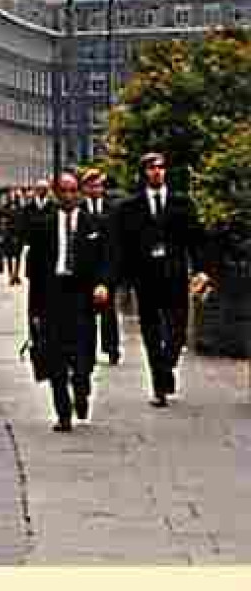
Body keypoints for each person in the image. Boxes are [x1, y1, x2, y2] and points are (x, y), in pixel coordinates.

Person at [111, 152, 212, 407]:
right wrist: (121, 279)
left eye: (161, 168)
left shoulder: (182, 203)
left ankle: (167, 365)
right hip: (145, 278)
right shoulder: (129, 207)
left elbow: (195, 239)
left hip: (175, 275)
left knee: (177, 328)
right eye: (152, 168)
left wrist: (201, 269)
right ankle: (159, 384)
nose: (157, 172)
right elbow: (121, 246)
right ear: (144, 173)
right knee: (151, 331)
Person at [21, 171, 99, 431]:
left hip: (81, 296)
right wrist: (33, 311)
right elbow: (34, 270)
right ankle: (63, 413)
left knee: (82, 356)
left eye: (73, 191)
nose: (68, 196)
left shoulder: (92, 224)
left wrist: (103, 286)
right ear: (56, 194)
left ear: (79, 193)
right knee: (55, 358)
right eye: (63, 191)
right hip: (52, 295)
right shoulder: (42, 224)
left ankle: (81, 389)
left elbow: (105, 260)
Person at [78, 167, 121, 365]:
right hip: (85, 269)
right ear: (85, 188)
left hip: (107, 266)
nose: (96, 189)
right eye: (92, 186)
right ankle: (88, 350)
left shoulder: (112, 209)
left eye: (99, 186)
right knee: (86, 313)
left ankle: (112, 348)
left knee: (109, 311)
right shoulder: (79, 209)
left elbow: (117, 240)